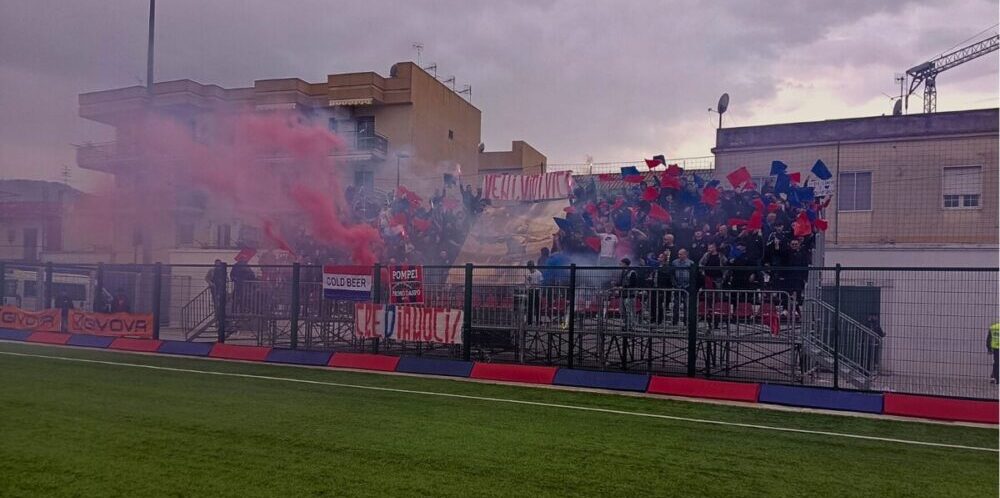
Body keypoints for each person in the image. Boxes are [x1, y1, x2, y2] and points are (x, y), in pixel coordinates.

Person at [670, 249, 695, 325]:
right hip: (677, 286)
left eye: (681, 254)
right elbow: (672, 274)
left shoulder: (691, 263)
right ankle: (675, 321)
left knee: (686, 305)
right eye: (678, 254)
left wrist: (690, 285)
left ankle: (686, 321)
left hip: (687, 287)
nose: (679, 256)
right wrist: (674, 283)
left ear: (685, 254)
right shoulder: (674, 262)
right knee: (676, 305)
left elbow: (693, 276)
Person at [617, 258, 639, 330]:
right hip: (623, 294)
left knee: (630, 311)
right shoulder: (622, 272)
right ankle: (626, 325)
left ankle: (631, 326)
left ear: (625, 264)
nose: (620, 265)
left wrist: (623, 287)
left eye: (621, 263)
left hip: (630, 295)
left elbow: (633, 284)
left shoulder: (632, 272)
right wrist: (617, 285)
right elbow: (621, 282)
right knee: (624, 311)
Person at [525, 261, 543, 325]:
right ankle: (529, 321)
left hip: (537, 291)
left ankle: (538, 321)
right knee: (530, 307)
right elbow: (526, 283)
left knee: (537, 307)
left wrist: (536, 285)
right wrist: (528, 288)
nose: (530, 269)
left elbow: (541, 283)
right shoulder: (527, 274)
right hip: (530, 291)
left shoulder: (539, 273)